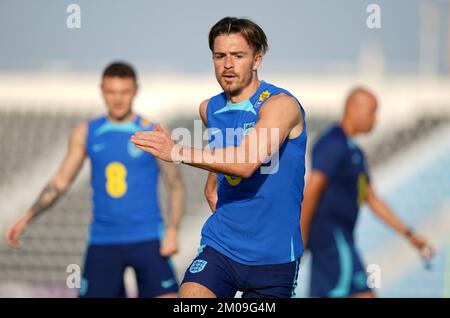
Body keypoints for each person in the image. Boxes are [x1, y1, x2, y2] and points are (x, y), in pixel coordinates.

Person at [131, 17, 307, 298]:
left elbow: (247, 162)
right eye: (219, 55)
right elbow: (224, 149)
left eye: (238, 56)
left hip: (273, 259)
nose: (227, 64)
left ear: (256, 60)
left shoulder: (281, 105)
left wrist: (176, 151)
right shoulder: (209, 108)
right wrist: (213, 182)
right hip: (221, 246)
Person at [5, 62, 185, 298]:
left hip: (148, 238)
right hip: (104, 240)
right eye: (112, 92)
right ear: (102, 90)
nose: (118, 99)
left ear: (135, 91)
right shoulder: (87, 132)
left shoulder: (153, 132)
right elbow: (59, 183)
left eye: (124, 92)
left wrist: (172, 231)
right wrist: (27, 217)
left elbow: (175, 185)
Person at [300, 87, 434, 298]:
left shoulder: (355, 152)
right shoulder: (333, 143)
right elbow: (313, 187)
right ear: (354, 109)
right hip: (332, 238)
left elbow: (372, 199)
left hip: (339, 239)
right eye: (373, 111)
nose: (376, 119)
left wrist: (410, 235)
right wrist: (302, 234)